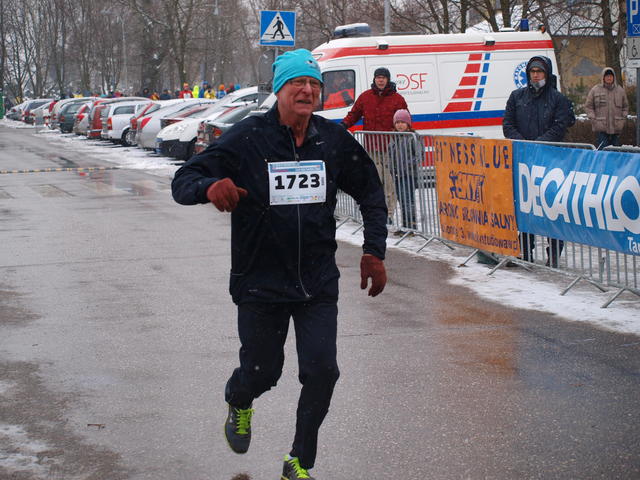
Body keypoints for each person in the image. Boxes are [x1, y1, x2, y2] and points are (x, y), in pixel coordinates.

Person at [171, 48, 388, 480]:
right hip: (260, 280)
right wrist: (210, 187)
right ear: (280, 89)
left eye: (313, 84)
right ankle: (239, 398)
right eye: (297, 83)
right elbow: (184, 180)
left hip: (316, 281)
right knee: (263, 372)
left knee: (322, 371)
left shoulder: (331, 140)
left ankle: (298, 462)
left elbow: (371, 192)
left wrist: (374, 251)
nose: (307, 91)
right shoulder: (248, 137)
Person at [503, 55, 576, 267]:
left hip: (550, 162)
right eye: (533, 72)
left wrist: (539, 144)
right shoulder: (517, 96)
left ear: (547, 73)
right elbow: (508, 124)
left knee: (551, 209)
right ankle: (525, 251)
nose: (536, 75)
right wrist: (523, 143)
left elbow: (560, 126)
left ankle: (554, 253)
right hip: (524, 161)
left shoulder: (557, 99)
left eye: (540, 71)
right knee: (525, 208)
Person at [341, 67, 408, 224]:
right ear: (374, 79)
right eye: (378, 77)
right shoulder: (365, 97)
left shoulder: (397, 99)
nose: (381, 80)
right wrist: (344, 125)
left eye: (383, 77)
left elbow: (404, 120)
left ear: (388, 79)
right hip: (371, 148)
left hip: (390, 148)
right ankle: (377, 212)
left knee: (389, 183)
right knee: (374, 182)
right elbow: (354, 114)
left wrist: (402, 138)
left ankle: (389, 214)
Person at [388, 109, 420, 235]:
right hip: (397, 174)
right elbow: (391, 155)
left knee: (408, 200)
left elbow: (419, 156)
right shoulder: (394, 138)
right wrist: (392, 167)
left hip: (409, 174)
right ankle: (405, 225)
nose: (400, 125)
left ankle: (411, 226)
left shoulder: (413, 137)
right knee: (401, 200)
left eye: (402, 122)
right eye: (397, 122)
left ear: (408, 124)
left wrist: (406, 166)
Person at [584, 67, 629, 150]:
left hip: (616, 128)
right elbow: (588, 106)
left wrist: (623, 119)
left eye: (611, 76)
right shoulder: (595, 90)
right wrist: (593, 119)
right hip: (601, 128)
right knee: (602, 151)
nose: (609, 78)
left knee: (616, 151)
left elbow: (625, 107)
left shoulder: (620, 91)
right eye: (607, 76)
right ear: (603, 77)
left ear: (614, 77)